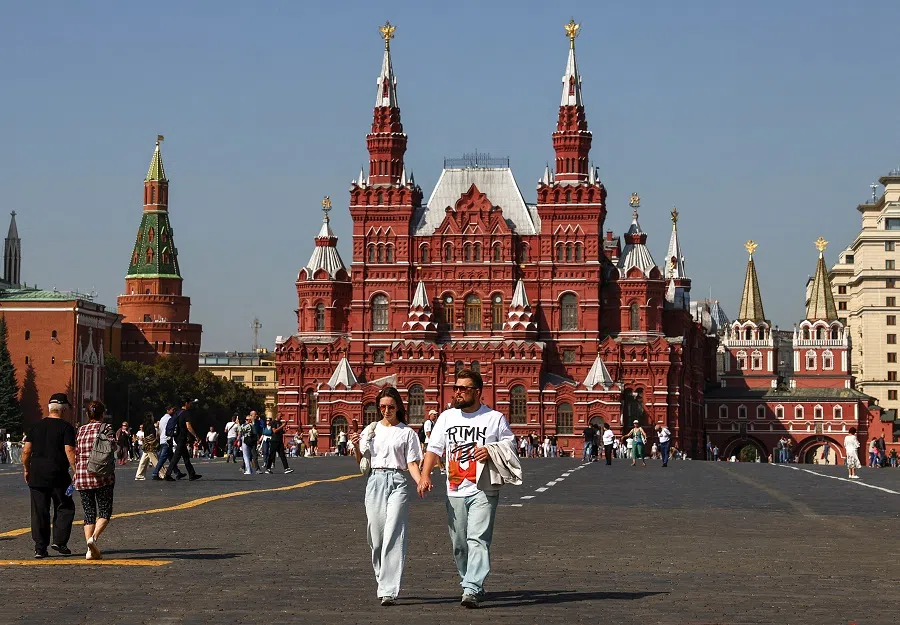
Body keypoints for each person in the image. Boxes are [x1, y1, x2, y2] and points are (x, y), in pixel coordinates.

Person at [418, 369, 517, 609]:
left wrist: (491, 449)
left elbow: (510, 444)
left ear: (477, 392)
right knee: (459, 544)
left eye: (463, 389)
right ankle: (469, 580)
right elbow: (434, 448)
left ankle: (471, 587)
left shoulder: (494, 418)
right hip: (454, 489)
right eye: (456, 388)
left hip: (484, 488)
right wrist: (424, 475)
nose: (458, 392)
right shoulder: (446, 417)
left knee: (478, 539)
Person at [349, 387, 423, 606]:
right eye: (382, 406)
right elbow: (361, 464)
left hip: (398, 483)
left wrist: (420, 481)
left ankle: (388, 589)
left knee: (393, 533)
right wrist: (356, 447)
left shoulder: (406, 433)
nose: (386, 410)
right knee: (376, 535)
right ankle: (382, 577)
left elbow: (411, 463)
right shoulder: (371, 431)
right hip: (375, 481)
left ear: (398, 407)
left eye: (391, 406)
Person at [22, 393, 77, 559]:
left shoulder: (35, 426)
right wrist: (76, 470)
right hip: (59, 475)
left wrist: (26, 469)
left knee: (39, 512)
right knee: (65, 506)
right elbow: (69, 450)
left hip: (37, 475)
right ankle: (59, 542)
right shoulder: (66, 428)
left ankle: (40, 548)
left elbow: (26, 450)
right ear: (64, 409)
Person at [74, 401, 116, 559]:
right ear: (102, 414)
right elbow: (113, 447)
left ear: (87, 414)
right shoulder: (106, 428)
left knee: (88, 513)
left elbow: (77, 451)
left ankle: (89, 550)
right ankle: (94, 539)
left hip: (83, 476)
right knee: (105, 511)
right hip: (102, 475)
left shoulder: (80, 430)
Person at [165, 399, 202, 481]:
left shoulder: (177, 412)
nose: (191, 405)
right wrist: (196, 436)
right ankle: (167, 474)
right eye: (190, 403)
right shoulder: (186, 413)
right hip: (181, 437)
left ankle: (192, 474)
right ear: (186, 403)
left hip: (176, 436)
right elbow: (188, 426)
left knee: (186, 456)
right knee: (176, 456)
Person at [151, 406, 180, 480]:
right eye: (172, 409)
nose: (174, 411)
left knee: (171, 458)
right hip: (167, 439)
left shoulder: (162, 418)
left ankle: (177, 472)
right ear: (168, 410)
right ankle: (155, 473)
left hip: (163, 439)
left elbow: (160, 429)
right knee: (163, 458)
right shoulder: (169, 419)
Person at [135, 413, 159, 480]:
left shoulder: (145, 425)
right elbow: (152, 436)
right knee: (155, 460)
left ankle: (139, 475)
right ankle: (161, 473)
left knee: (143, 460)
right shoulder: (151, 426)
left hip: (146, 444)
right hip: (150, 445)